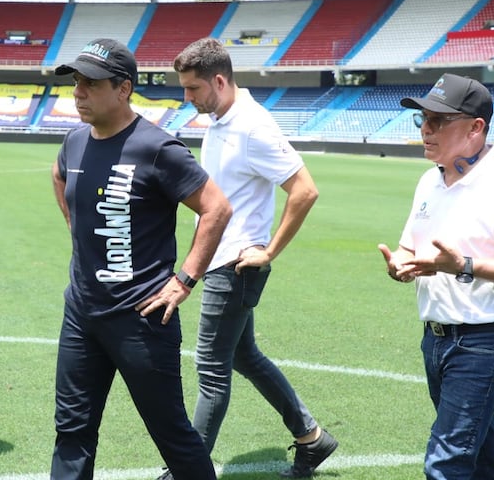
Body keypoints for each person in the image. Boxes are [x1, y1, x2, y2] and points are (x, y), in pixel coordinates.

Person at [50, 38, 232, 480]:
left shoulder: (157, 148)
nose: (78, 92)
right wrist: (83, 240)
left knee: (171, 435)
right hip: (82, 313)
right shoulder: (74, 142)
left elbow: (217, 208)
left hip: (141, 318)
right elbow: (60, 178)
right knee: (71, 431)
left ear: (123, 88)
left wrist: (185, 279)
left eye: (90, 83)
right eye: (76, 82)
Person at [376, 73, 494, 480]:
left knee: (447, 462)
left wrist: (465, 266)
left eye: (438, 121)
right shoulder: (431, 179)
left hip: (486, 339)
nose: (426, 129)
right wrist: (402, 265)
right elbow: (411, 246)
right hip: (436, 338)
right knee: (480, 457)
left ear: (476, 127)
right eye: (423, 119)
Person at [170, 37, 336, 479]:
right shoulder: (222, 119)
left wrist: (269, 251)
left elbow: (305, 190)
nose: (186, 98)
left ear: (219, 81)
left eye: (192, 89)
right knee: (244, 357)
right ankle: (312, 438)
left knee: (210, 368)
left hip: (236, 265)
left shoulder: (253, 126)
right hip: (220, 259)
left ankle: (190, 469)